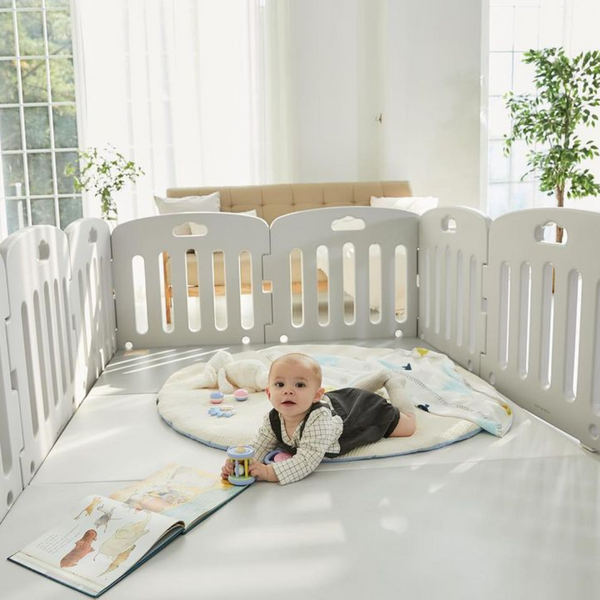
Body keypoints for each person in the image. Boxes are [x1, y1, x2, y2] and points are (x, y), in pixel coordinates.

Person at [221, 353, 416, 485]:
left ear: (316, 395)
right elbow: (260, 445)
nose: (288, 390)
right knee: (350, 394)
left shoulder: (318, 420)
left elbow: (307, 460)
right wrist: (240, 465)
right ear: (269, 394)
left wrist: (268, 472)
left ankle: (392, 383)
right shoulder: (273, 418)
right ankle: (378, 378)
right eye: (280, 384)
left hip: (360, 415)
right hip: (337, 402)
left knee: (408, 425)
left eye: (299, 384)